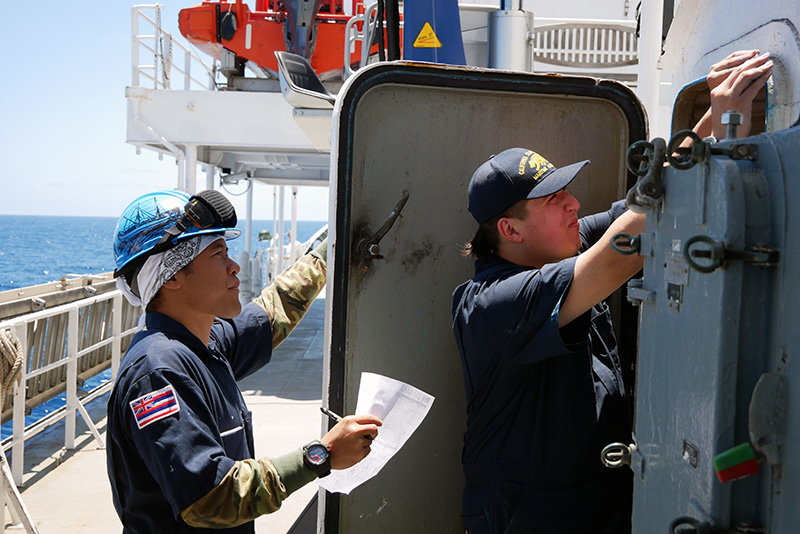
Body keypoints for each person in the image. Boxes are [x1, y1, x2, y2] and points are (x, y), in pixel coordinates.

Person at [451, 50, 772, 534]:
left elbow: (649, 200)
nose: (574, 204)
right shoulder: (491, 305)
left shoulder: (561, 249)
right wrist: (728, 124)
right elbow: (624, 248)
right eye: (554, 199)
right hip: (532, 520)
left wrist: (710, 122)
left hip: (594, 508)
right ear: (510, 231)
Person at [106, 189, 382, 534]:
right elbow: (209, 497)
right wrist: (321, 456)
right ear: (172, 277)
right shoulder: (158, 372)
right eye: (218, 253)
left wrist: (333, 247)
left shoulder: (203, 343)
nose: (234, 265)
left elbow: (274, 310)